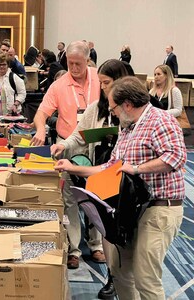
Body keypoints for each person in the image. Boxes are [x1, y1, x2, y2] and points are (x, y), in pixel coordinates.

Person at [55, 76, 186, 300]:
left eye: (113, 107)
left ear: (127, 104)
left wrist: (135, 168)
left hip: (159, 208)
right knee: (120, 272)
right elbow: (111, 167)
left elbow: (176, 157)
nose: (112, 112)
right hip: (131, 210)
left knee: (146, 278)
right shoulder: (127, 128)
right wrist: (73, 168)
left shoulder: (160, 120)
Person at [51, 59, 130, 299]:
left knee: (122, 229)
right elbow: (78, 135)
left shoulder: (133, 108)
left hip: (127, 176)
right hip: (99, 170)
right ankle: (112, 277)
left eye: (107, 83)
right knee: (103, 222)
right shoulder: (97, 108)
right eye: (101, 83)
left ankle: (119, 276)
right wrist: (63, 144)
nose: (103, 87)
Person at [31, 41, 102, 269]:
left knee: (96, 195)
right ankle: (73, 249)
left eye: (78, 63)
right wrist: (41, 129)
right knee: (70, 198)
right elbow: (41, 113)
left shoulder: (99, 78)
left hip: (96, 145)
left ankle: (96, 244)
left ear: (88, 60)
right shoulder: (60, 85)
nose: (73, 68)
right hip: (67, 146)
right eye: (69, 63)